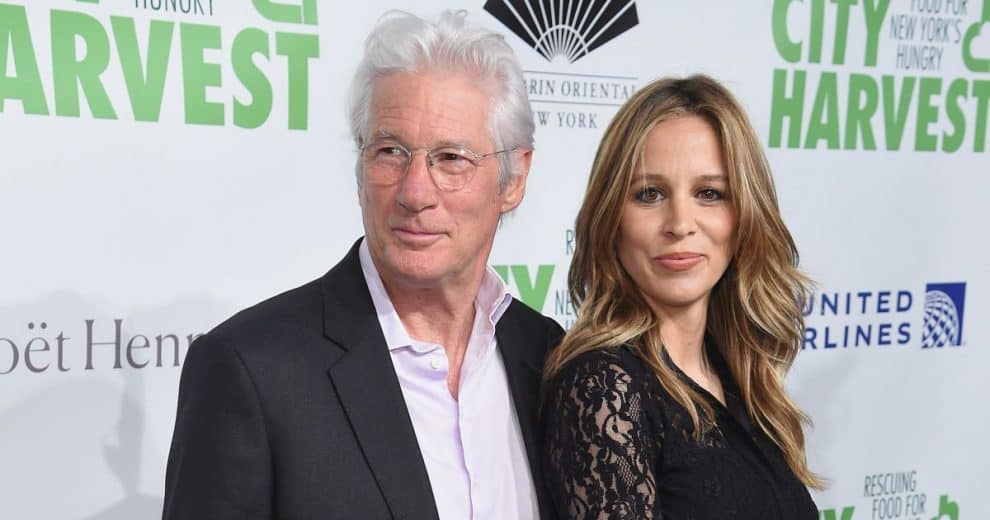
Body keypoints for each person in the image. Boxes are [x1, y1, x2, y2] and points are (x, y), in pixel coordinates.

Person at [162, 10, 563, 520]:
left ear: (514, 180)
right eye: (390, 151)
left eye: (451, 158)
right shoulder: (252, 371)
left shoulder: (549, 358)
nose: (415, 192)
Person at [541, 75, 823, 519]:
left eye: (709, 194)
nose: (680, 224)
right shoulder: (603, 388)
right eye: (649, 194)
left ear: (744, 215)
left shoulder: (738, 375)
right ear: (611, 217)